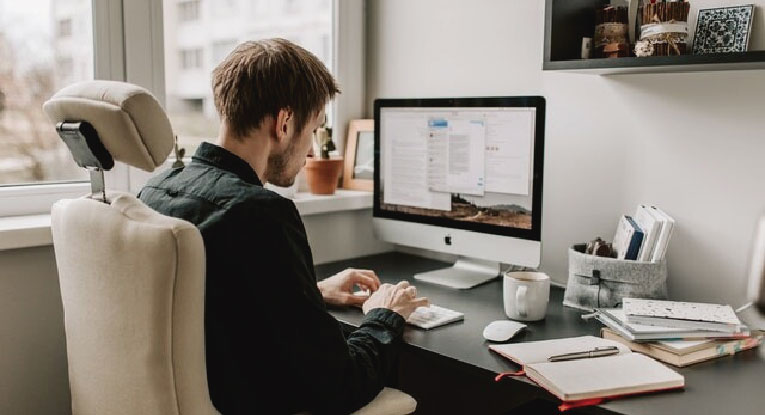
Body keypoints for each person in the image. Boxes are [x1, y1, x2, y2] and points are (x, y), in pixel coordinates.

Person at [138, 38, 428, 415]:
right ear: (284, 122)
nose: (311, 151)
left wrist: (312, 292)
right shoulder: (259, 214)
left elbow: (206, 302)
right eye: (313, 130)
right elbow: (339, 385)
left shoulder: (157, 188)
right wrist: (386, 314)